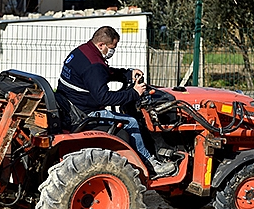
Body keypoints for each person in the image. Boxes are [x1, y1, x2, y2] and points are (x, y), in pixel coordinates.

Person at [56, 26, 176, 178]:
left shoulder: (82, 52)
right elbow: (104, 97)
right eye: (112, 47)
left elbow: (102, 73)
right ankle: (150, 164)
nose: (113, 51)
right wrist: (134, 93)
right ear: (101, 45)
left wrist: (127, 74)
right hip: (83, 114)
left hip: (69, 105)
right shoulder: (95, 66)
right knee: (131, 121)